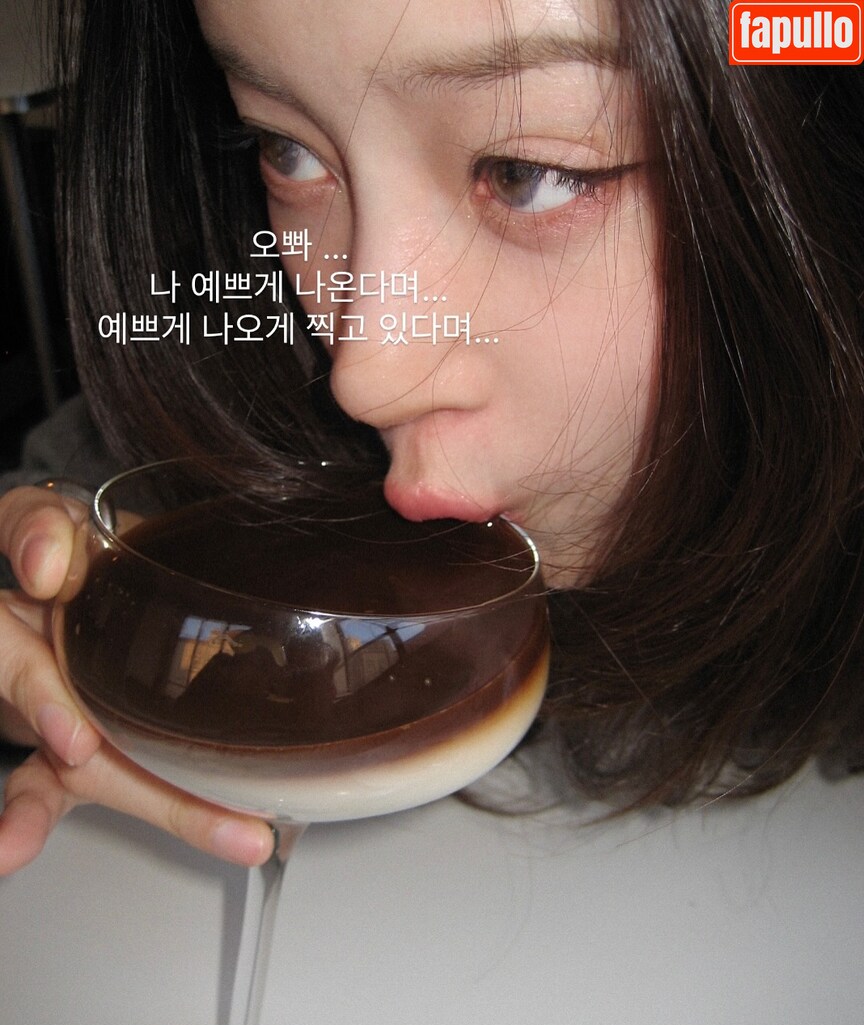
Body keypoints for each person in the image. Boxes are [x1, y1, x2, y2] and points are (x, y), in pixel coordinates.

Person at [1, 0, 862, 875]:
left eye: (526, 172)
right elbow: (68, 498)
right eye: (288, 150)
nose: (364, 375)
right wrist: (34, 644)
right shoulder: (261, 395)